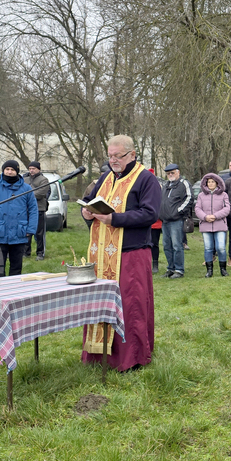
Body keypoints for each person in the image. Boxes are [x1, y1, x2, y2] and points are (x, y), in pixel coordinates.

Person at [80, 135, 162, 371]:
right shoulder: (106, 177)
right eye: (110, 156)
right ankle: (98, 356)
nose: (113, 160)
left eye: (118, 156)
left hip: (130, 253)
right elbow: (89, 200)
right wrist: (86, 211)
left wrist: (114, 218)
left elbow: (150, 214)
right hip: (101, 253)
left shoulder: (146, 179)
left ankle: (132, 357)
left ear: (132, 155)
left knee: (129, 304)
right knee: (99, 304)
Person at [0, 160, 37, 278]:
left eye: (12, 170)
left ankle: (14, 291)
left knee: (16, 267)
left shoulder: (26, 188)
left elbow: (33, 210)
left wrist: (30, 229)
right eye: (7, 169)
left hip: (19, 233)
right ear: (3, 171)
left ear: (17, 171)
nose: (9, 172)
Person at [159, 163, 192, 279]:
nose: (170, 175)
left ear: (178, 172)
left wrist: (178, 211)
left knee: (177, 245)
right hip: (165, 220)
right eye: (168, 173)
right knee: (166, 245)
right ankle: (170, 268)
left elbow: (189, 198)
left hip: (176, 220)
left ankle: (179, 269)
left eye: (172, 173)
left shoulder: (184, 183)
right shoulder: (166, 185)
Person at [194, 172, 230, 277]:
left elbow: (227, 208)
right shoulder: (201, 195)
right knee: (208, 248)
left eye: (212, 182)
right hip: (206, 225)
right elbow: (197, 208)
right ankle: (209, 270)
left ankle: (223, 269)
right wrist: (205, 217)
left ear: (217, 183)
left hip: (220, 224)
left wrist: (215, 216)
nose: (210, 184)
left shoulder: (224, 195)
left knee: (221, 247)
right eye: (208, 182)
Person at [25, 161, 50, 261]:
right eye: (30, 168)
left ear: (38, 169)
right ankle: (26, 252)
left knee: (39, 233)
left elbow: (41, 193)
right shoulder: (24, 179)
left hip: (39, 208)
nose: (31, 170)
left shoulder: (44, 180)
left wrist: (27, 195)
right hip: (25, 209)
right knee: (26, 232)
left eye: (33, 168)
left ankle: (40, 253)